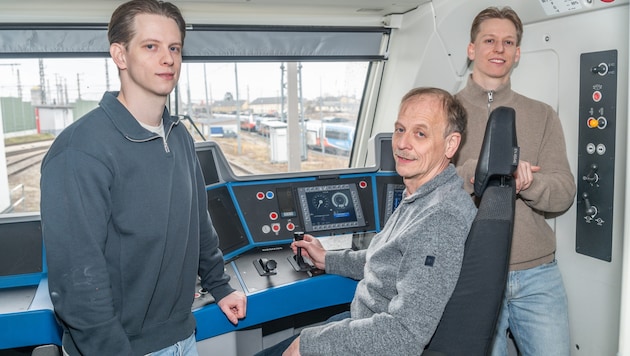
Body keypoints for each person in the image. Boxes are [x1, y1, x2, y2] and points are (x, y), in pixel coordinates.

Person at [40, 1, 247, 355]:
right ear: (120, 55)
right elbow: (78, 281)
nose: (167, 59)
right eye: (151, 46)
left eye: (174, 48)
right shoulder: (80, 149)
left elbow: (197, 223)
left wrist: (220, 286)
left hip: (183, 335)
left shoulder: (179, 135)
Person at [256, 87, 477, 356]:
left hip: (377, 337)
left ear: (451, 144)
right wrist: (328, 259)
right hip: (363, 323)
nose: (403, 144)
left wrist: (309, 345)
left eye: (420, 133)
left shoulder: (439, 218)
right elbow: (387, 260)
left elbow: (404, 336)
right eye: (400, 129)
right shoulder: (422, 196)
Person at [453, 6, 576, 356]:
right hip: (470, 274)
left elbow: (564, 191)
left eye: (508, 42)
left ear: (517, 53)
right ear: (471, 49)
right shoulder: (445, 112)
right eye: (489, 40)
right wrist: (486, 169)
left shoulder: (542, 115)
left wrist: (528, 184)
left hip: (538, 274)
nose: (499, 49)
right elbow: (431, 179)